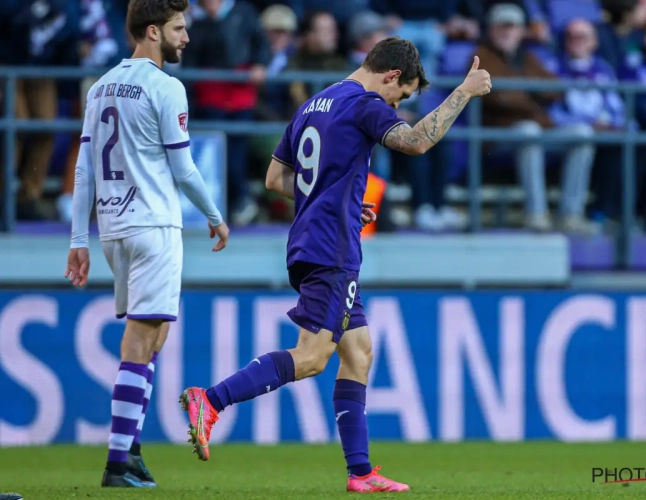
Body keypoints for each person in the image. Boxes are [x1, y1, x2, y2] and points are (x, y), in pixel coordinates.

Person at [180, 36, 491, 493]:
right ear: (390, 76)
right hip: (332, 248)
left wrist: (340, 200)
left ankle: (360, 472)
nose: (396, 103)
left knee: (359, 352)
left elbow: (276, 178)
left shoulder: (314, 104)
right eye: (400, 94)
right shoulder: (365, 103)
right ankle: (211, 399)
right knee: (311, 357)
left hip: (313, 238)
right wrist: (464, 91)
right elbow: (416, 141)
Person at [64, 0, 230, 488]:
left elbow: (82, 168)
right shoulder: (166, 87)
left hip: (114, 229)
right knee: (142, 338)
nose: (186, 38)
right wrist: (215, 216)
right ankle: (118, 461)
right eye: (180, 28)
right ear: (153, 31)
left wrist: (80, 237)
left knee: (152, 335)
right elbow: (183, 168)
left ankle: (130, 450)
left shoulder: (99, 87)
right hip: (154, 225)